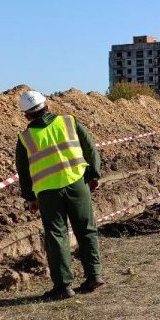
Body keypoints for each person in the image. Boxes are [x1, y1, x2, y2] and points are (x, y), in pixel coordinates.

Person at [15, 89, 104, 300]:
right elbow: (90, 148)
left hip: (48, 192)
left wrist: (30, 197)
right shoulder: (69, 122)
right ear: (47, 106)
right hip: (77, 183)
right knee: (86, 229)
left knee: (56, 236)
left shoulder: (25, 137)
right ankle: (94, 275)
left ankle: (63, 286)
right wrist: (94, 174)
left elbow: (23, 171)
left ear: (26, 115)